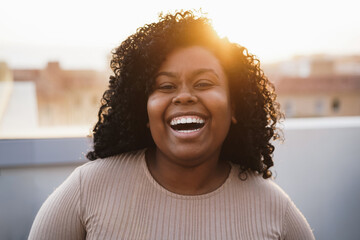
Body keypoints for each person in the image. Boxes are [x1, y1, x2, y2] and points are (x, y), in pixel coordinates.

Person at [29, 10, 315, 240]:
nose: (185, 96)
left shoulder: (275, 210)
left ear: (235, 107)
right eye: (165, 85)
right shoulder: (87, 189)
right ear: (143, 108)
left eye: (204, 83)